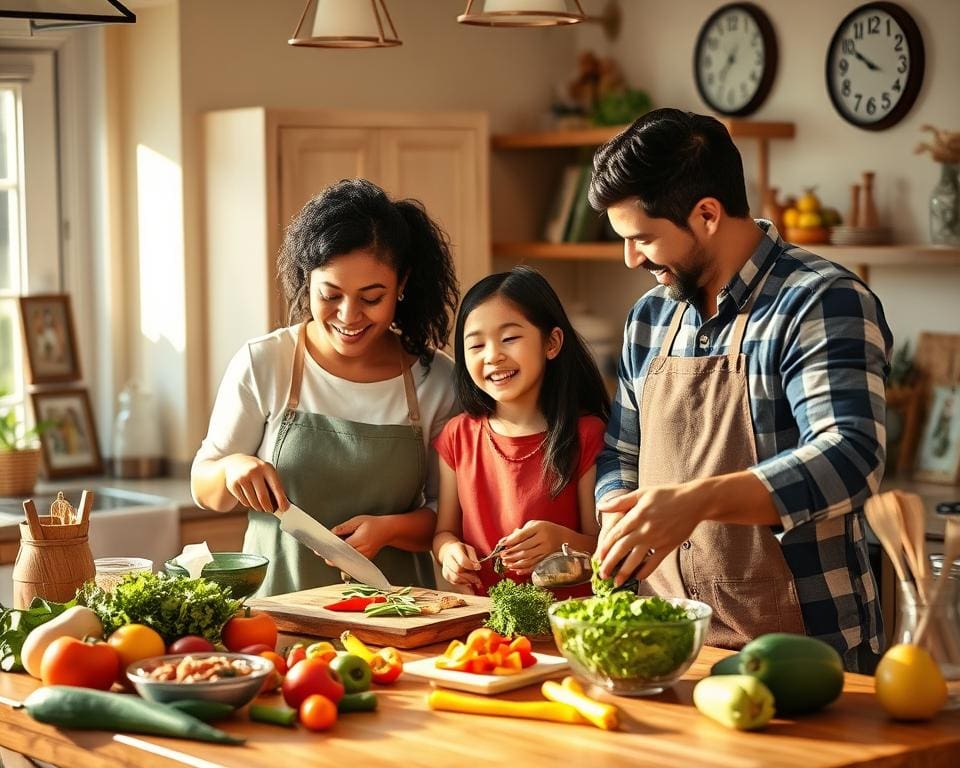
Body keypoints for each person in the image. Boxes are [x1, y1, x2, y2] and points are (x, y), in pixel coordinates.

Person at [588, 109, 892, 673]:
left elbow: (851, 456)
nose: (631, 259)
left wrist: (696, 501)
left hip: (805, 651)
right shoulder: (649, 319)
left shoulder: (819, 300)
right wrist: (616, 512)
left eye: (644, 238)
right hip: (670, 643)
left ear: (706, 214)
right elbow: (622, 452)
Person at [191, 179, 460, 596]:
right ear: (307, 279)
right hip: (278, 617)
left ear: (402, 285)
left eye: (372, 297)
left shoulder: (436, 379)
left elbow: (448, 518)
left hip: (397, 619)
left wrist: (389, 530)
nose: (348, 316)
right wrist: (231, 470)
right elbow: (204, 486)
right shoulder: (266, 362)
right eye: (330, 294)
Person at [432, 266, 610, 595]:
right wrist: (449, 553)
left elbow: (603, 548)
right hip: (484, 626)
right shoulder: (457, 436)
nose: (493, 356)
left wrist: (560, 541)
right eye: (476, 345)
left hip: (566, 625)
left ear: (552, 342)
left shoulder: (587, 434)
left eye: (510, 338)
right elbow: (444, 532)